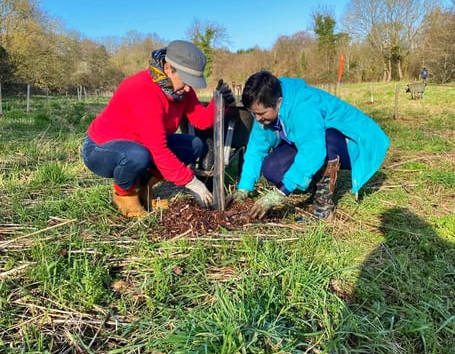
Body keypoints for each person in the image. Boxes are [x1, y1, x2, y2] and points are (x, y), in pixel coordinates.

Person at [82, 40, 234, 218]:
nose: (188, 89)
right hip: (102, 149)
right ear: (168, 68)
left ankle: (144, 187)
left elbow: (200, 120)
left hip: (142, 144)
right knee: (137, 156)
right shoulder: (143, 90)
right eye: (185, 81)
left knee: (194, 145)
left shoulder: (181, 90)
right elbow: (158, 149)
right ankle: (124, 195)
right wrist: (192, 182)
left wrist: (220, 103)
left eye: (191, 83)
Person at [231, 70, 390, 220]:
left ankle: (323, 208)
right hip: (316, 142)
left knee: (325, 140)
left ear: (278, 102)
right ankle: (312, 178)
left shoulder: (303, 105)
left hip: (355, 143)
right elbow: (256, 150)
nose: (257, 119)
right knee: (272, 168)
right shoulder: (264, 114)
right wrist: (244, 188)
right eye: (254, 113)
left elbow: (313, 150)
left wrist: (280, 193)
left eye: (261, 113)